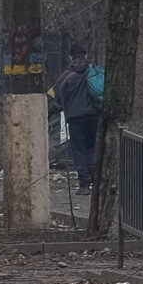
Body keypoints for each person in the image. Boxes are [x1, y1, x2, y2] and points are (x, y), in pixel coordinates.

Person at [52, 49, 99, 190]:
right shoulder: (94, 72)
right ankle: (94, 179)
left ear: (70, 56)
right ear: (85, 55)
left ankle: (84, 183)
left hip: (75, 118)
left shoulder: (66, 76)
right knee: (91, 147)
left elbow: (54, 96)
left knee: (78, 150)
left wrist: (49, 112)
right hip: (93, 116)